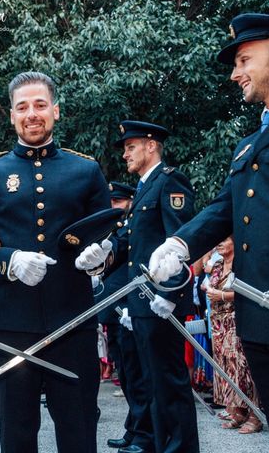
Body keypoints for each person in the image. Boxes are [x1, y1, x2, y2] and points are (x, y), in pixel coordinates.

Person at [148, 13, 269, 453]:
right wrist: (179, 243)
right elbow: (225, 208)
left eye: (244, 59)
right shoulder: (248, 145)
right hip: (259, 317)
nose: (235, 73)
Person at [0, 71, 111, 453]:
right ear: (11, 116)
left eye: (40, 105)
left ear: (55, 111)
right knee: (16, 431)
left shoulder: (85, 170)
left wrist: (100, 259)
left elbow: (106, 236)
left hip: (72, 321)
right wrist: (9, 260)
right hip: (12, 325)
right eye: (22, 107)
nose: (32, 114)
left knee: (78, 429)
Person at [77, 120, 198, 453]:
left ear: (150, 145)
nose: (126, 154)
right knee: (153, 383)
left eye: (131, 147)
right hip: (141, 301)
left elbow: (180, 240)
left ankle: (178, 449)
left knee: (169, 384)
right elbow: (130, 241)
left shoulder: (169, 180)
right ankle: (159, 444)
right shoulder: (146, 186)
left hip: (160, 302)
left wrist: (169, 295)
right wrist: (105, 254)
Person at [97, 182, 155, 452]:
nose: (114, 208)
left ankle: (145, 434)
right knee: (127, 374)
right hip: (113, 311)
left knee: (137, 375)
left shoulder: (136, 225)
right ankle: (134, 429)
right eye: (111, 203)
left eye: (118, 202)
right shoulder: (113, 230)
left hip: (130, 308)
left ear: (131, 201)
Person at [205, 236, 262, 433]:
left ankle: (255, 415)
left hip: (237, 320)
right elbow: (207, 282)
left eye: (224, 240)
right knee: (225, 367)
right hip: (218, 322)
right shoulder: (218, 264)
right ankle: (237, 411)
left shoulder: (243, 264)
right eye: (217, 240)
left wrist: (221, 295)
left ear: (235, 242)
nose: (218, 243)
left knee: (242, 367)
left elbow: (250, 291)